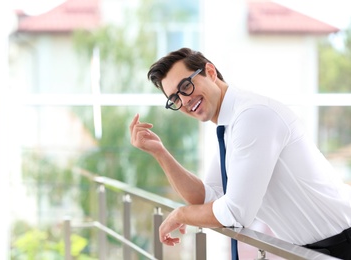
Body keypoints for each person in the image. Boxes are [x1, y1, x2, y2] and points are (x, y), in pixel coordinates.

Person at [129, 47, 351, 259]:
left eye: (186, 85)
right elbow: (207, 198)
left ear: (210, 72)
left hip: (344, 243)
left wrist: (181, 214)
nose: (184, 100)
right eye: (175, 98)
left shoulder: (252, 116)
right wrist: (160, 152)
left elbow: (236, 213)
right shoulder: (228, 126)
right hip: (310, 250)